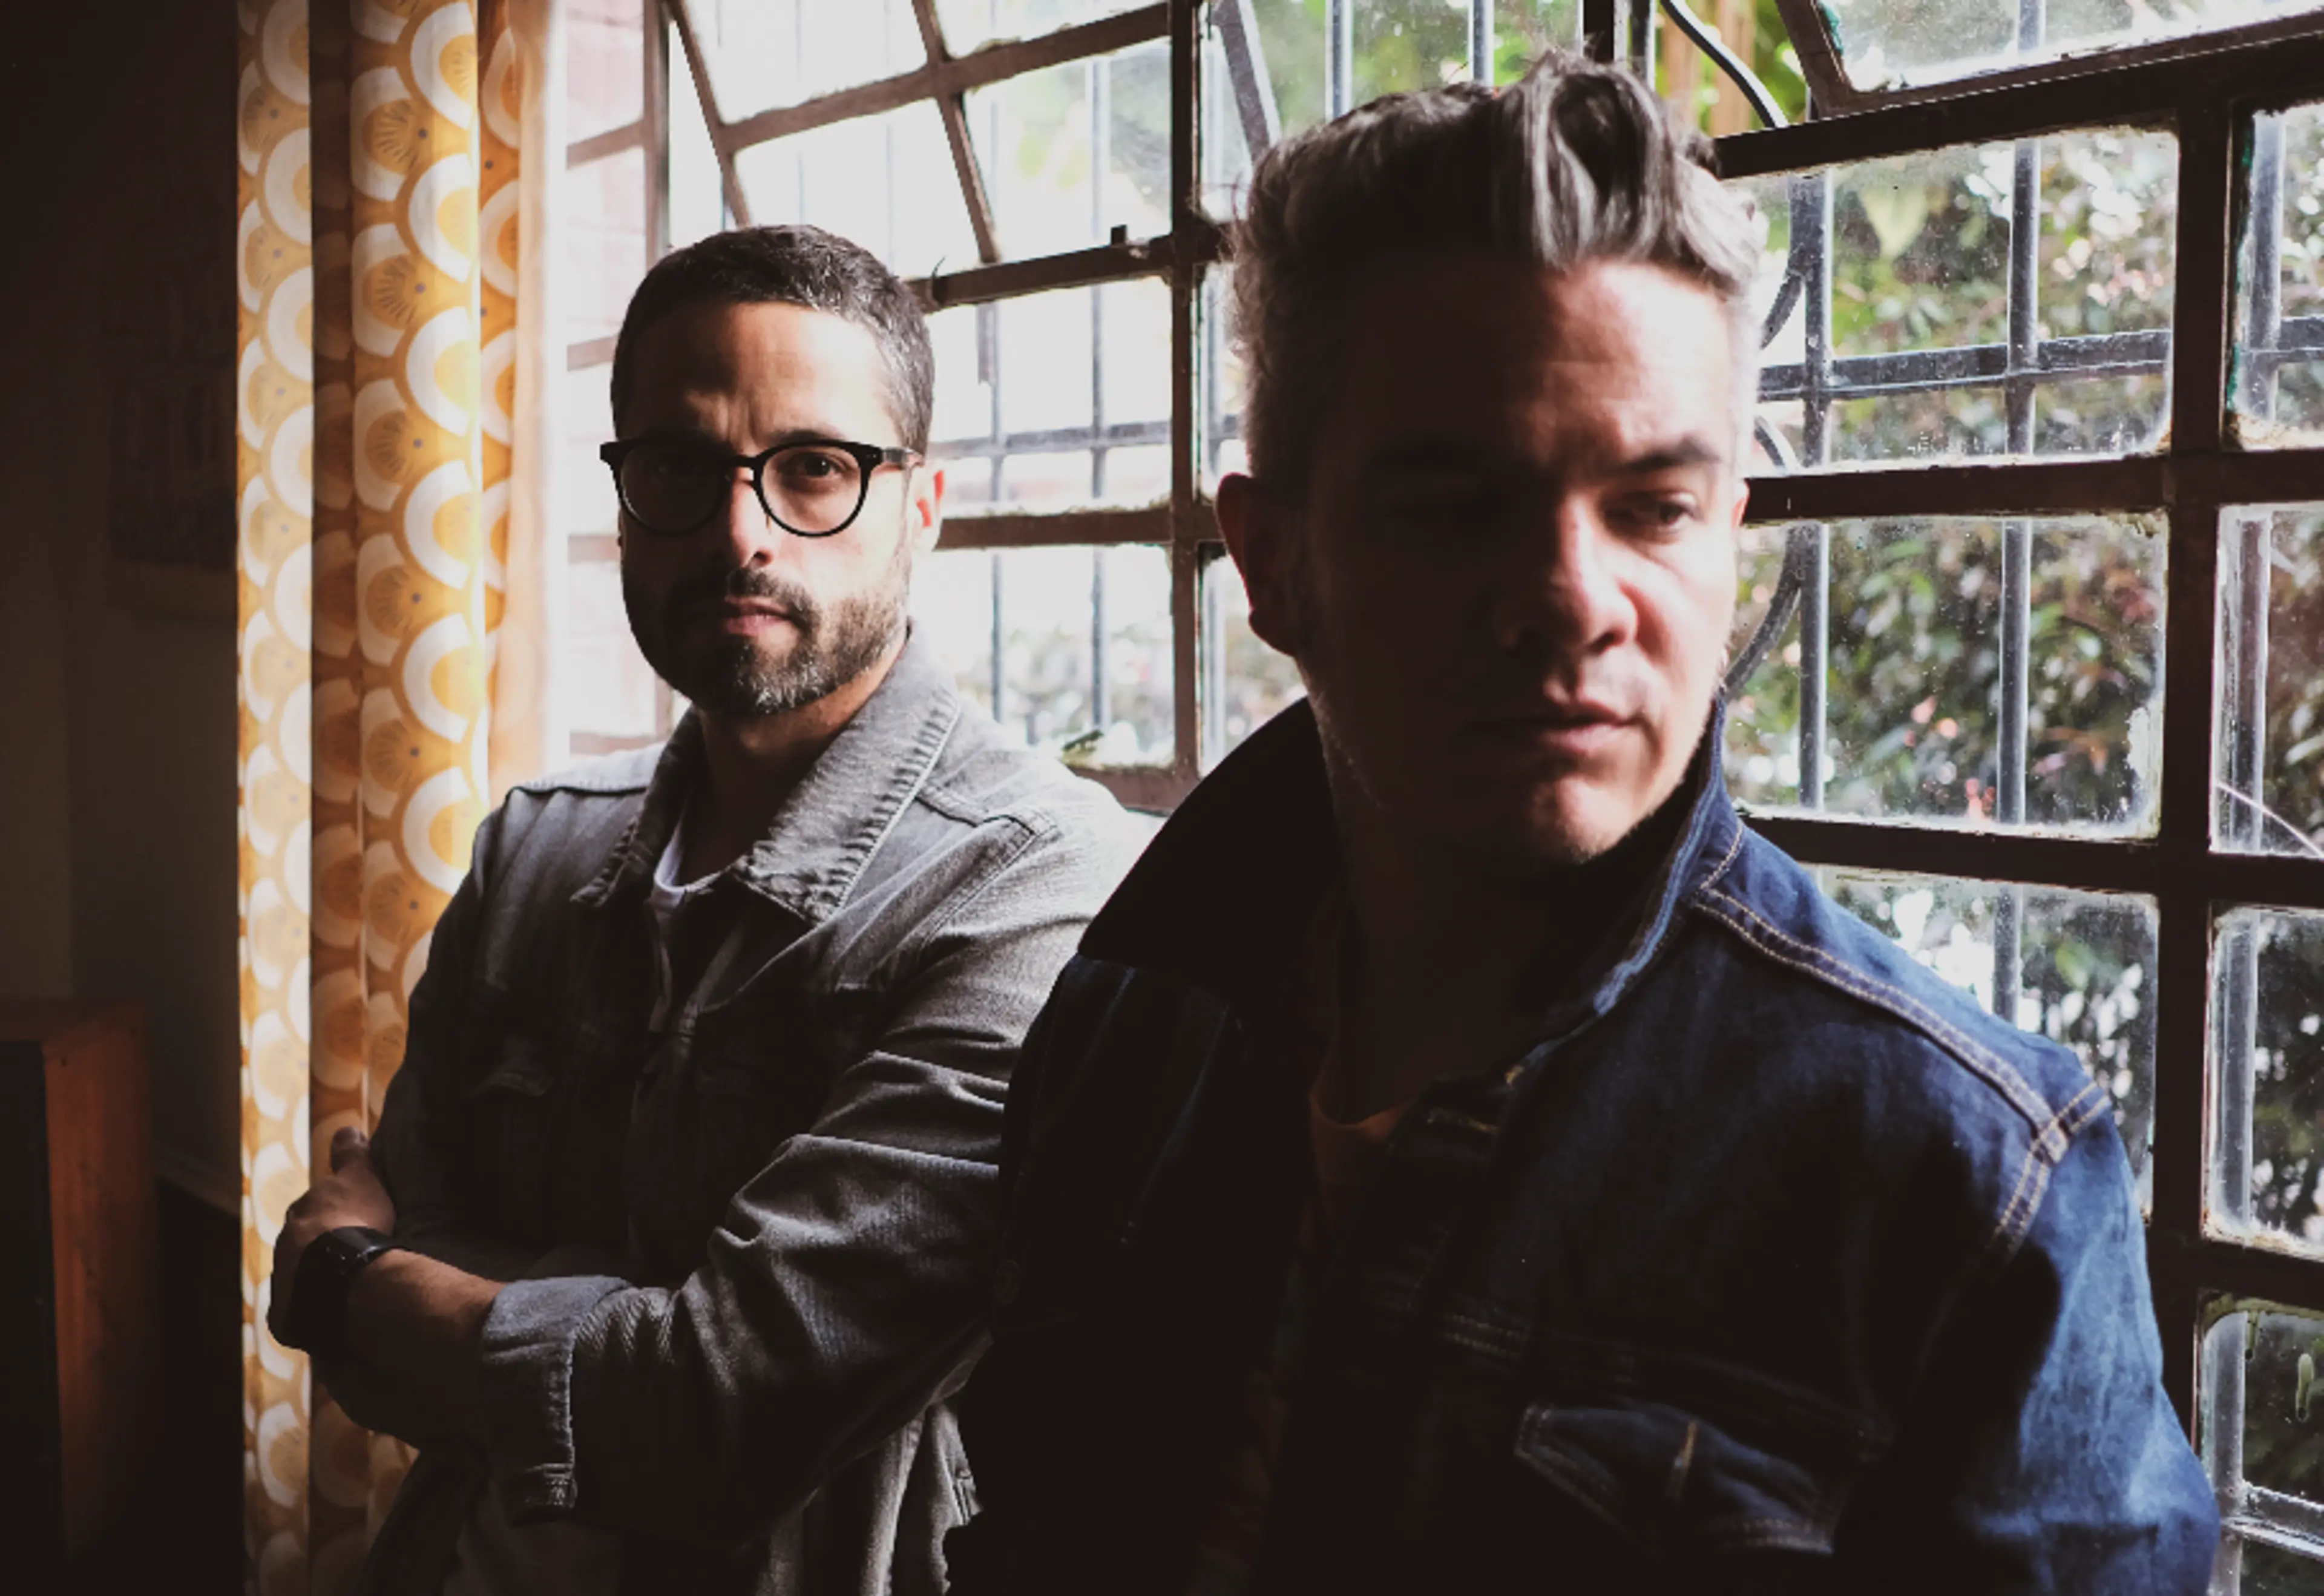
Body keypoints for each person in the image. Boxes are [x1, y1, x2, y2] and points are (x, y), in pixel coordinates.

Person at [948, 54, 2218, 1595]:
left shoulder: (1961, 1180)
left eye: (1654, 507)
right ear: (1274, 565)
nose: (1570, 598)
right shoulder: (1125, 1022)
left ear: (1730, 537)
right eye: (1451, 508)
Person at [267, 224, 1137, 1596]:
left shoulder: (1036, 884)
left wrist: (349, 1279)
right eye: (681, 467)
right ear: (625, 501)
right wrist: (570, 1330)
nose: (742, 533)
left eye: (815, 468)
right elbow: (382, 1383)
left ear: (922, 505)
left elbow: (716, 1414)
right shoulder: (536, 844)